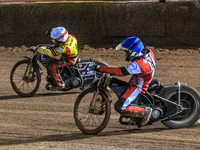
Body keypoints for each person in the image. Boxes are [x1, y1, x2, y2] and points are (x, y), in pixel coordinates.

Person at [95, 36, 155, 127]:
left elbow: (120, 72)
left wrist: (101, 69)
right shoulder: (148, 52)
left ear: (132, 51)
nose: (126, 54)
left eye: (127, 51)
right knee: (113, 81)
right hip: (138, 80)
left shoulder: (139, 65)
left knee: (120, 106)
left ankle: (144, 111)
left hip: (138, 87)